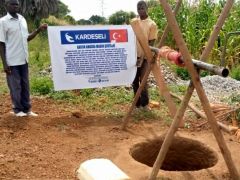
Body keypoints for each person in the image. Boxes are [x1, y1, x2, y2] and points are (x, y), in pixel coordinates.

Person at [0, 0, 47, 117]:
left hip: (24, 59)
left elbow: (26, 38)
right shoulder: (3, 22)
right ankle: (17, 110)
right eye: (12, 4)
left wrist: (38, 30)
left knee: (25, 85)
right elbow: (1, 44)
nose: (15, 6)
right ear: (7, 5)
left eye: (17, 4)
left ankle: (27, 109)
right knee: (15, 86)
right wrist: (5, 64)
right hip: (12, 60)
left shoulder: (22, 19)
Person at [131, 0, 158, 110]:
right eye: (138, 8)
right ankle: (137, 104)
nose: (140, 10)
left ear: (147, 8)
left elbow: (151, 43)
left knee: (143, 80)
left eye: (142, 8)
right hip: (133, 56)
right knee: (134, 81)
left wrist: (143, 57)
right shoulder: (134, 22)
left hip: (145, 57)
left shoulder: (152, 24)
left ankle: (145, 104)